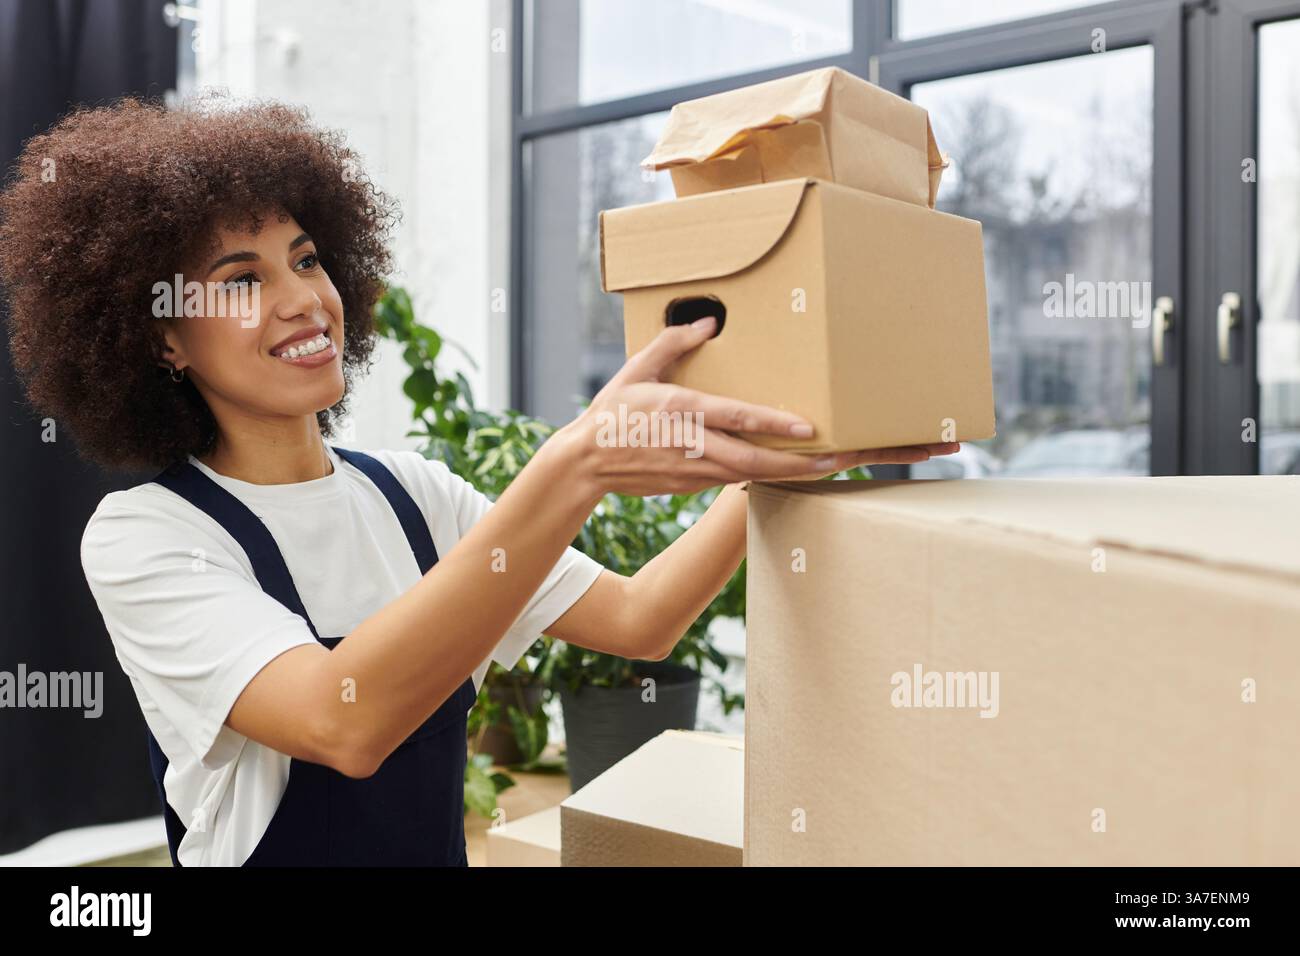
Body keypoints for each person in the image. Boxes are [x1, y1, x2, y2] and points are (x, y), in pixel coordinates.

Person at [0, 96, 957, 866]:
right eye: (242, 281)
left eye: (306, 257)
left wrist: (805, 444)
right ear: (161, 337)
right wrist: (576, 460)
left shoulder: (413, 497)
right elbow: (346, 720)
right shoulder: (149, 536)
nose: (303, 299)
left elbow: (639, 621)